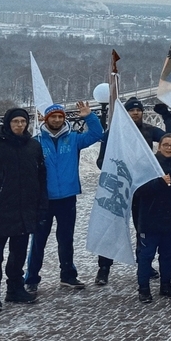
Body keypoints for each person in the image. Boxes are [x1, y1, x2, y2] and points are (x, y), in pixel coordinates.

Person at [94, 97, 171, 285]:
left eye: (138, 110)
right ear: (126, 114)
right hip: (119, 186)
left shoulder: (147, 130)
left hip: (142, 186)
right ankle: (104, 267)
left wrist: (166, 116)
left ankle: (144, 265)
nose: (136, 113)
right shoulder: (114, 134)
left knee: (144, 227)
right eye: (131, 110)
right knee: (112, 226)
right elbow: (101, 161)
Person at [25, 101, 103, 293]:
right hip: (44, 199)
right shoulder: (36, 142)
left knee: (66, 238)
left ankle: (68, 275)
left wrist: (89, 116)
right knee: (39, 240)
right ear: (46, 119)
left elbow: (97, 135)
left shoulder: (73, 139)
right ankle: (32, 278)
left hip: (67, 197)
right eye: (54, 117)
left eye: (60, 117)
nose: (58, 120)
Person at [0, 108, 47, 311]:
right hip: (0, 212)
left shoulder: (33, 147)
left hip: (25, 211)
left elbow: (41, 178)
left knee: (19, 253)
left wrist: (41, 206)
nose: (19, 125)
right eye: (15, 121)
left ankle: (15, 289)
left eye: (22, 121)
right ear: (7, 123)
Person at [132, 133, 171, 303]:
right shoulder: (148, 165)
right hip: (150, 219)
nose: (169, 148)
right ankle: (143, 289)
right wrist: (158, 182)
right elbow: (139, 191)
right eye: (166, 144)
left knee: (167, 256)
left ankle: (166, 285)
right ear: (160, 146)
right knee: (146, 256)